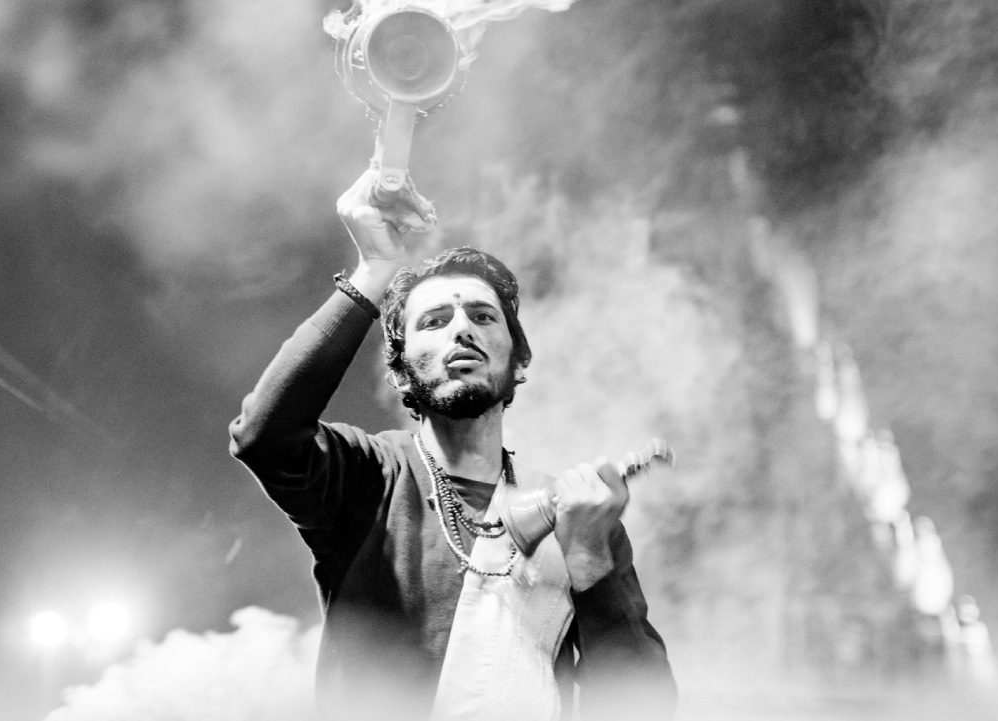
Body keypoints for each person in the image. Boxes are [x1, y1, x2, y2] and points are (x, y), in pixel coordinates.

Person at [230, 168, 675, 721]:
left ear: (518, 359)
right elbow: (263, 436)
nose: (461, 329)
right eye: (434, 321)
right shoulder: (369, 474)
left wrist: (588, 557)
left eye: (482, 316)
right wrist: (373, 271)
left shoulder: (581, 516)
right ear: (400, 371)